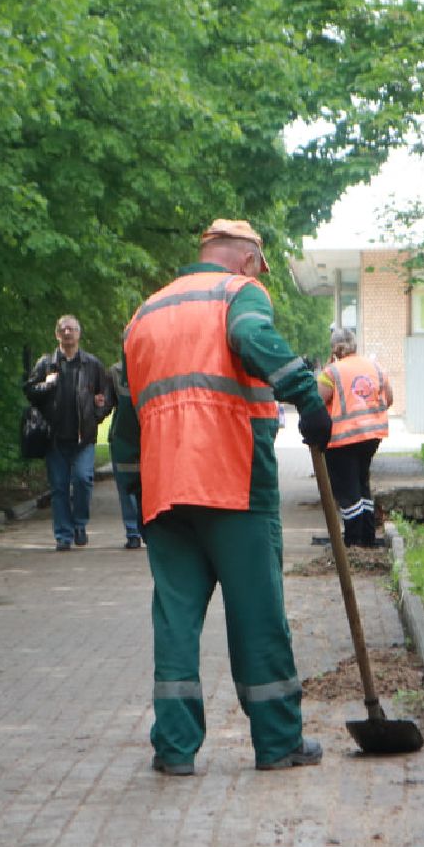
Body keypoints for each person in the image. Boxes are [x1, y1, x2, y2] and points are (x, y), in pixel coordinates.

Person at [109, 218, 333, 775]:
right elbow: (254, 340)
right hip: (235, 480)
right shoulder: (238, 294)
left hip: (165, 490)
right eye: (260, 266)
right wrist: (308, 398)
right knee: (257, 613)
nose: (261, 277)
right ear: (245, 258)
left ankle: (175, 750)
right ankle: (278, 741)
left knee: (175, 620)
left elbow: (127, 417)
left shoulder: (146, 314)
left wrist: (135, 486)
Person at [24, 315, 113, 551]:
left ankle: (80, 524)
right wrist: (47, 384)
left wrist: (96, 414)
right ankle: (63, 535)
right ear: (56, 334)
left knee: (83, 480)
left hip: (84, 438)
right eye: (62, 329)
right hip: (54, 438)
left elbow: (106, 396)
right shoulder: (46, 364)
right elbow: (30, 392)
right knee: (59, 487)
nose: (67, 332)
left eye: (71, 329)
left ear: (78, 334)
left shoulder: (92, 364)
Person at [318, 327, 393, 548]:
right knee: (362, 484)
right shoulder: (375, 366)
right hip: (372, 436)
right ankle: (368, 537)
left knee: (348, 489)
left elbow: (317, 401)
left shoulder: (331, 372)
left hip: (344, 438)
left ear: (335, 349)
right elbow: (389, 398)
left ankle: (352, 543)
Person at [108, 360, 145, 549]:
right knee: (126, 485)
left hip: (152, 435)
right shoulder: (116, 371)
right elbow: (107, 402)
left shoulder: (158, 363)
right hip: (124, 437)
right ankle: (133, 532)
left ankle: (147, 529)